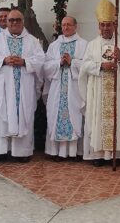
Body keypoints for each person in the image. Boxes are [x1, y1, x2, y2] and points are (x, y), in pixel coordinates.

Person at [79, 0, 120, 166]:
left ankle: (115, 155)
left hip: (117, 91)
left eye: (109, 24)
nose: (105, 28)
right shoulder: (92, 45)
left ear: (114, 25)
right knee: (97, 120)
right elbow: (85, 66)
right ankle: (98, 155)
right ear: (99, 26)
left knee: (116, 120)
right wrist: (101, 66)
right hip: (98, 91)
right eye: (102, 24)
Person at [0, 10, 44, 163]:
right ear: (7, 22)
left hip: (24, 87)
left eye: (17, 20)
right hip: (3, 88)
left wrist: (24, 62)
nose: (14, 23)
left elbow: (40, 60)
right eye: (11, 20)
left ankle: (22, 152)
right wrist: (4, 60)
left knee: (24, 115)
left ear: (22, 21)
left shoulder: (32, 41)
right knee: (1, 116)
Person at [43, 16, 87, 160]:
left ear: (76, 26)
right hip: (57, 89)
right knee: (56, 116)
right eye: (63, 25)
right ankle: (57, 153)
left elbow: (88, 66)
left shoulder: (84, 44)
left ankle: (74, 153)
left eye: (69, 25)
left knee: (76, 117)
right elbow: (46, 67)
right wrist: (59, 63)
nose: (66, 28)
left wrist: (72, 62)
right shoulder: (54, 45)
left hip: (75, 89)